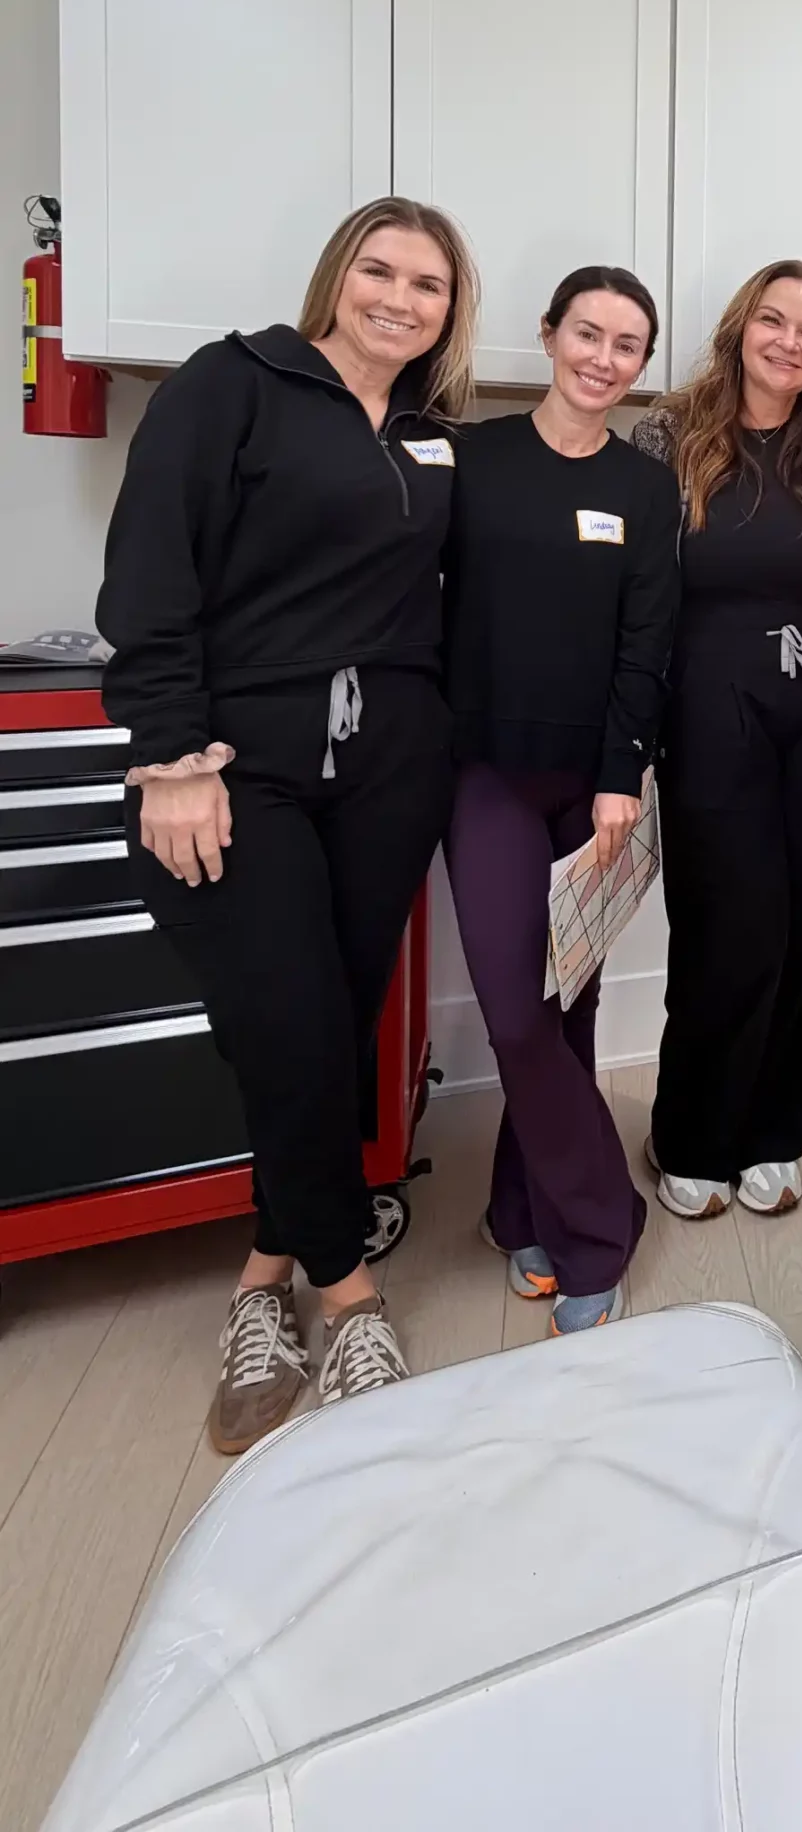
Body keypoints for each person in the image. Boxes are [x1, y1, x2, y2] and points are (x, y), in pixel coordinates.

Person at [98, 197, 477, 1450]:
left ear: (450, 311)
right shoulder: (232, 383)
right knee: (288, 1018)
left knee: (326, 1028)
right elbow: (150, 569)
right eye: (381, 270)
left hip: (391, 769)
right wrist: (169, 758)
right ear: (337, 276)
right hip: (235, 764)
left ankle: (263, 1274)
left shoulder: (431, 436)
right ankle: (348, 1290)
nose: (400, 299)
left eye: (428, 284)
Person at [441, 267, 679, 1336]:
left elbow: (646, 642)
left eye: (627, 345)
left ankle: (518, 1209)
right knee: (517, 1012)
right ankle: (598, 1229)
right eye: (588, 333)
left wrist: (624, 772)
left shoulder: (645, 488)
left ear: (641, 365)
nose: (603, 358)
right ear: (548, 335)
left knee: (564, 1012)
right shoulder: (471, 458)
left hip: (593, 789)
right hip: (485, 773)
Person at [633, 260, 802, 1222]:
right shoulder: (669, 434)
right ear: (741, 326)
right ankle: (689, 1132)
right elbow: (636, 591)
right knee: (728, 929)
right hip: (706, 716)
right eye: (774, 320)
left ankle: (774, 1131)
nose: (789, 343)